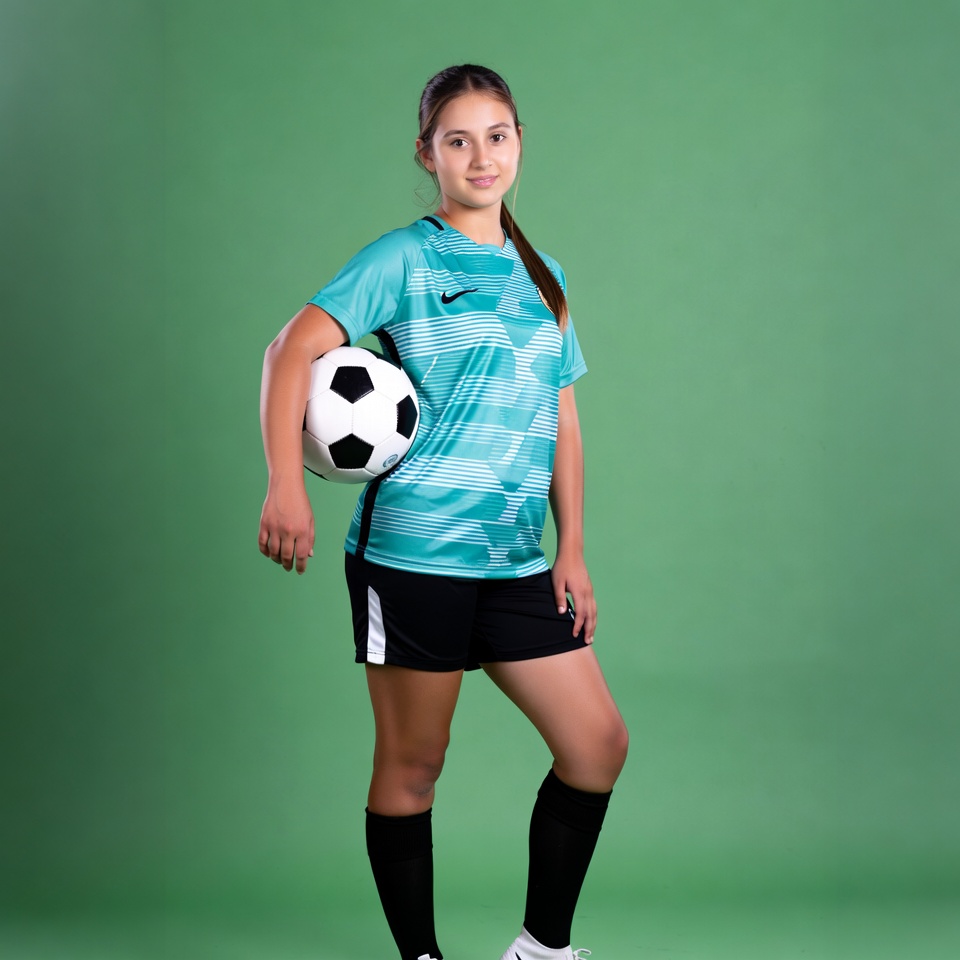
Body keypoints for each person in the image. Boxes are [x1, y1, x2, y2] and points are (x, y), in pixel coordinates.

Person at [258, 64, 628, 960]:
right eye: (457, 140)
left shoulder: (546, 277)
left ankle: (542, 948)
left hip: (513, 561)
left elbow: (561, 418)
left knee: (597, 746)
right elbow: (288, 351)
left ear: (519, 143)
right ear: (427, 154)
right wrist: (285, 484)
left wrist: (570, 547)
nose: (480, 155)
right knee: (416, 766)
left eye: (496, 135)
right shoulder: (402, 258)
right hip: (414, 552)